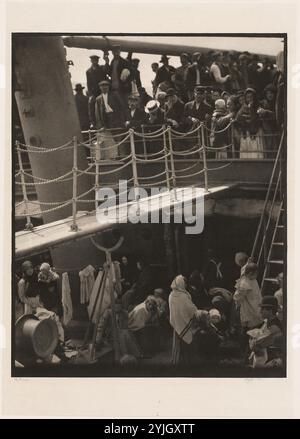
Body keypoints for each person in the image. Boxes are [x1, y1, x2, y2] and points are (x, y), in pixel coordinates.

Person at [168, 275, 198, 365]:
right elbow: (191, 310)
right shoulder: (183, 296)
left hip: (177, 323)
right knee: (185, 343)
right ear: (180, 284)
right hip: (183, 322)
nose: (185, 285)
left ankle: (177, 360)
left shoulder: (171, 295)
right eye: (184, 283)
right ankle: (186, 361)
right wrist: (197, 312)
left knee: (178, 342)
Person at [248, 296, 283, 368]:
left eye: (262, 309)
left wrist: (254, 341)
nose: (260, 311)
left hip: (272, 359)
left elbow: (259, 343)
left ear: (270, 310)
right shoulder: (267, 322)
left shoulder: (275, 326)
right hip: (265, 356)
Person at [233, 262, 262, 331]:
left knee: (257, 316)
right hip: (248, 304)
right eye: (255, 274)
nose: (256, 276)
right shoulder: (244, 283)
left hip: (255, 300)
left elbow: (244, 268)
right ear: (250, 274)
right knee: (250, 319)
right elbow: (239, 296)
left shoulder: (252, 279)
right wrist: (238, 304)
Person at [86, 54, 109, 127]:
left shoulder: (102, 69)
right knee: (91, 105)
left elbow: (106, 74)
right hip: (94, 92)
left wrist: (106, 62)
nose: (95, 62)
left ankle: (106, 122)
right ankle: (93, 122)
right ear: (91, 61)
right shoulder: (88, 71)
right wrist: (90, 93)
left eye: (96, 60)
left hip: (102, 91)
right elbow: (89, 83)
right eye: (93, 60)